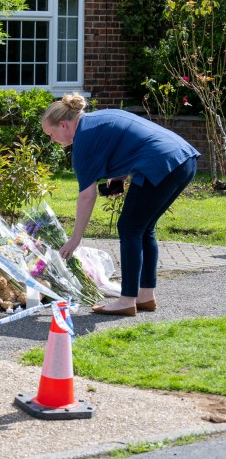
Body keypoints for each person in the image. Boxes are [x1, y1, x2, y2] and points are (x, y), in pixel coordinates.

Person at [42, 93, 199, 316]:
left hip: (162, 164)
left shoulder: (83, 143)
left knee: (129, 228)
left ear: (64, 125)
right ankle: (145, 296)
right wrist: (121, 176)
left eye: (51, 134)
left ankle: (126, 300)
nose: (52, 140)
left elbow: (87, 196)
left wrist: (75, 238)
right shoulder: (99, 119)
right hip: (184, 160)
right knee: (143, 228)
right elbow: (130, 142)